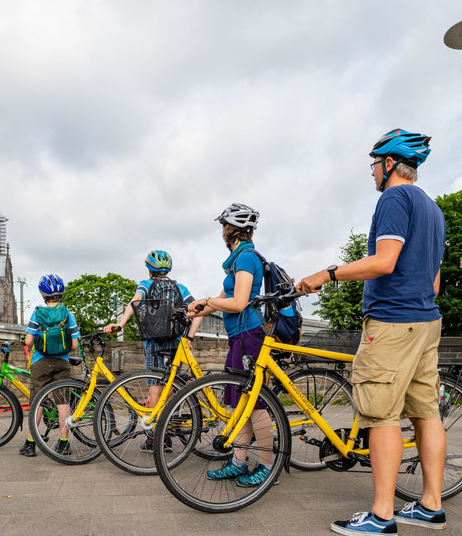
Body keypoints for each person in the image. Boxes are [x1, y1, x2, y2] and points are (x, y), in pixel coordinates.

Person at [297, 129, 447, 535]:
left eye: (374, 164)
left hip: (393, 323)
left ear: (389, 163)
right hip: (426, 321)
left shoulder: (394, 198)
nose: (372, 172)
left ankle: (382, 516)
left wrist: (327, 274)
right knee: (426, 413)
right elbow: (434, 283)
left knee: (381, 415)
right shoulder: (433, 210)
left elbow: (384, 262)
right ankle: (431, 506)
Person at [186, 203, 275, 488]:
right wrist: (192, 311)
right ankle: (238, 462)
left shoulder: (246, 258)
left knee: (256, 404)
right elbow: (222, 299)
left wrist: (206, 300)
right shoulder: (236, 261)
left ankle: (268, 466)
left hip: (250, 335)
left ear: (232, 230)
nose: (222, 232)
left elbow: (238, 303)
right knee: (241, 404)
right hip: (239, 336)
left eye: (224, 227)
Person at [104, 250, 202, 452]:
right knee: (171, 386)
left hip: (154, 343)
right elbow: (198, 312)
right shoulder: (180, 288)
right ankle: (169, 431)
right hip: (176, 343)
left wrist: (121, 324)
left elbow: (135, 302)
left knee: (155, 388)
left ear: (149, 270)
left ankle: (155, 437)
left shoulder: (146, 284)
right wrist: (189, 338)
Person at [19, 274, 81, 458]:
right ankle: (63, 444)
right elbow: (74, 345)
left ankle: (30, 444)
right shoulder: (68, 314)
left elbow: (28, 341)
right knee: (63, 402)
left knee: (37, 402)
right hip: (62, 362)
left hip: (40, 362)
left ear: (43, 295)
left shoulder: (38, 313)